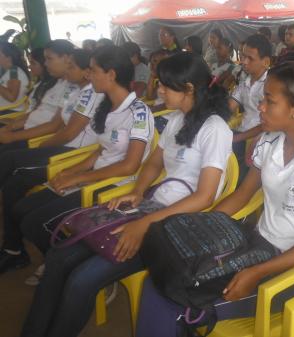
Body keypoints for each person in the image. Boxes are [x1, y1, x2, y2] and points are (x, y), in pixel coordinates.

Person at [19, 51, 231, 337]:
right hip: (153, 207)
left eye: (166, 85)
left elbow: (205, 197)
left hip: (178, 225)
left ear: (189, 88)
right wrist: (138, 193)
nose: (159, 89)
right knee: (59, 256)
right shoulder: (177, 119)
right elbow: (154, 163)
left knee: (83, 279)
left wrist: (144, 224)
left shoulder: (215, 128)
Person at [134, 61, 294, 337]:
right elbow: (243, 194)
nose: (260, 107)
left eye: (269, 101)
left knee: (173, 302)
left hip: (293, 268)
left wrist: (259, 271)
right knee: (163, 280)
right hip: (254, 246)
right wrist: (200, 227)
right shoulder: (270, 141)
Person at [0, 46, 154, 276]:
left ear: (111, 74)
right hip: (93, 176)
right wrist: (71, 172)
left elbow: (129, 166)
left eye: (93, 70)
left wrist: (79, 177)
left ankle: (68, 262)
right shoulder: (108, 105)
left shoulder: (139, 112)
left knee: (34, 222)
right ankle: (60, 260)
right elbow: (100, 151)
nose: (88, 74)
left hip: (111, 185)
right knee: (22, 209)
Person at [0, 49, 102, 187]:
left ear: (86, 72)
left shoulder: (90, 93)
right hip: (62, 144)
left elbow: (68, 133)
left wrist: (42, 146)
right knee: (14, 173)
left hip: (74, 151)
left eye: (71, 66)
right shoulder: (74, 89)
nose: (67, 69)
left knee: (9, 160)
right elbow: (59, 122)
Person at [0, 40, 76, 154]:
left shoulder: (13, 71)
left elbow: (55, 126)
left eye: (49, 59)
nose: (45, 64)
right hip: (27, 127)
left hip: (32, 132)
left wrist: (12, 135)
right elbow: (37, 111)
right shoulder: (56, 83)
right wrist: (10, 127)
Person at [228, 34, 271, 177]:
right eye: (242, 56)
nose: (244, 62)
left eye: (250, 58)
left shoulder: (271, 87)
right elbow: (228, 108)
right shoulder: (244, 82)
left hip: (262, 138)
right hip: (242, 133)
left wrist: (236, 138)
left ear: (265, 62)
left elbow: (267, 125)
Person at [0, 42, 30, 112]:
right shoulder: (5, 70)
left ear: (8, 57)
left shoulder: (14, 72)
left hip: (11, 110)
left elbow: (12, 97)